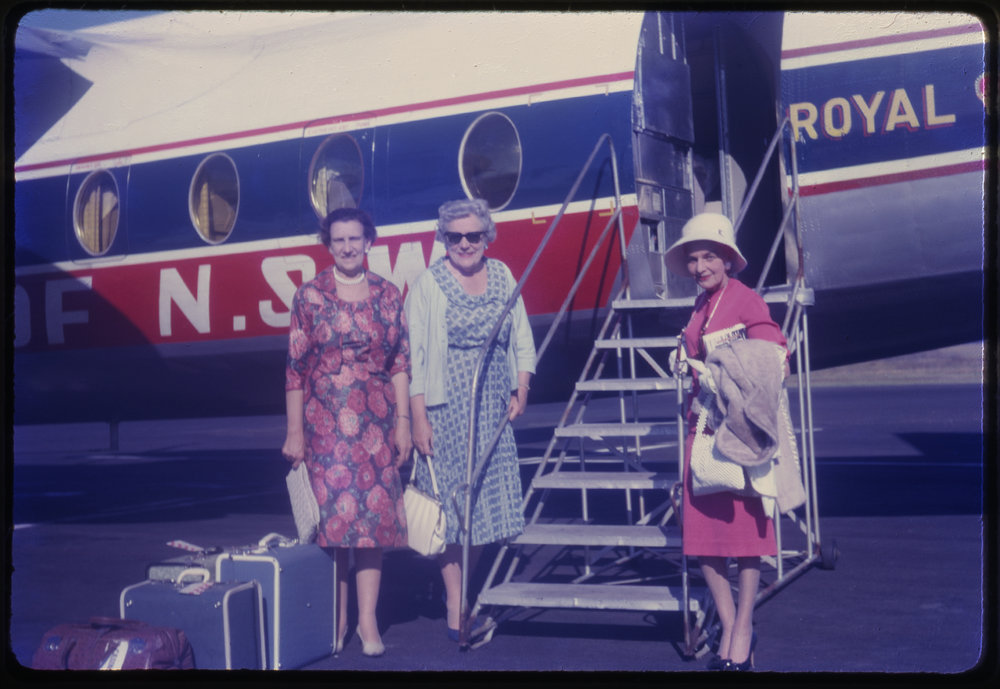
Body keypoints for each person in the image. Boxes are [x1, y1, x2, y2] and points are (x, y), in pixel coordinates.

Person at [282, 207, 412, 658]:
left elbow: (399, 362)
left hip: (375, 425)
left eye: (355, 238)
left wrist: (403, 425)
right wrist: (294, 432)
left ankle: (368, 621)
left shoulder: (388, 294)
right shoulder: (309, 296)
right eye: (339, 240)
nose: (347, 247)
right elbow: (295, 370)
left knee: (371, 524)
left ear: (369, 241)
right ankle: (334, 621)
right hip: (324, 427)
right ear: (328, 244)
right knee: (334, 528)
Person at [406, 198, 536, 641]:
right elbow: (416, 359)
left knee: (481, 505)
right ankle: (455, 605)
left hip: (493, 405)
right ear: (443, 239)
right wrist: (418, 418)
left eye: (473, 235)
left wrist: (522, 385)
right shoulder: (429, 283)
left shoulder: (501, 274)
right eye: (455, 236)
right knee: (454, 508)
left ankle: (461, 596)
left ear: (487, 237)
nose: (464, 243)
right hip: (447, 408)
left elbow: (520, 332)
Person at [664, 212, 787, 672]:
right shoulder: (701, 305)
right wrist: (684, 356)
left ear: (728, 260)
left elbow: (774, 350)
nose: (700, 267)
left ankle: (741, 629)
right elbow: (695, 351)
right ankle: (732, 622)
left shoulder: (744, 299)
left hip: (736, 431)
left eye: (709, 256)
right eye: (693, 259)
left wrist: (721, 367)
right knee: (703, 537)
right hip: (702, 430)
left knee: (744, 534)